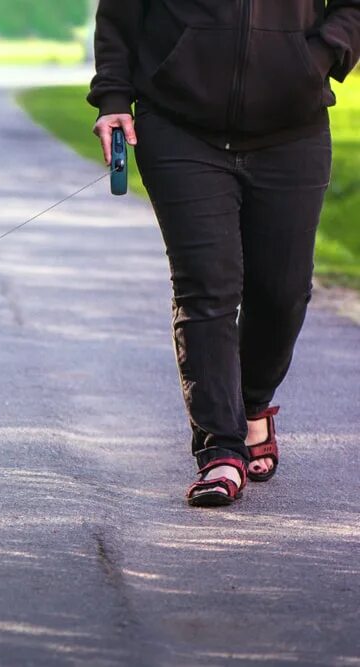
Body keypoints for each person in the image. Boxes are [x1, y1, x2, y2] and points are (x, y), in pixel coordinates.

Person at [87, 1, 360, 507]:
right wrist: (112, 97)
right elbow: (120, 12)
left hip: (291, 129)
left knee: (283, 293)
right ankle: (220, 449)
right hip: (178, 126)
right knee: (206, 285)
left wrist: (318, 56)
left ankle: (252, 404)